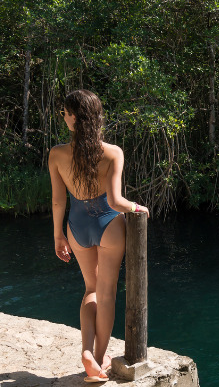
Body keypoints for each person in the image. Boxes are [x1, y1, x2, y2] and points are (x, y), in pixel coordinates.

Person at [48, 89, 149, 382]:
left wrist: (58, 236)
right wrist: (138, 207)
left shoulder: (57, 154)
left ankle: (86, 352)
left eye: (65, 113)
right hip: (109, 225)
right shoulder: (113, 152)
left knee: (90, 290)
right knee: (106, 294)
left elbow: (58, 201)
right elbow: (117, 201)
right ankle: (101, 356)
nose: (64, 117)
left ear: (74, 117)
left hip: (77, 226)